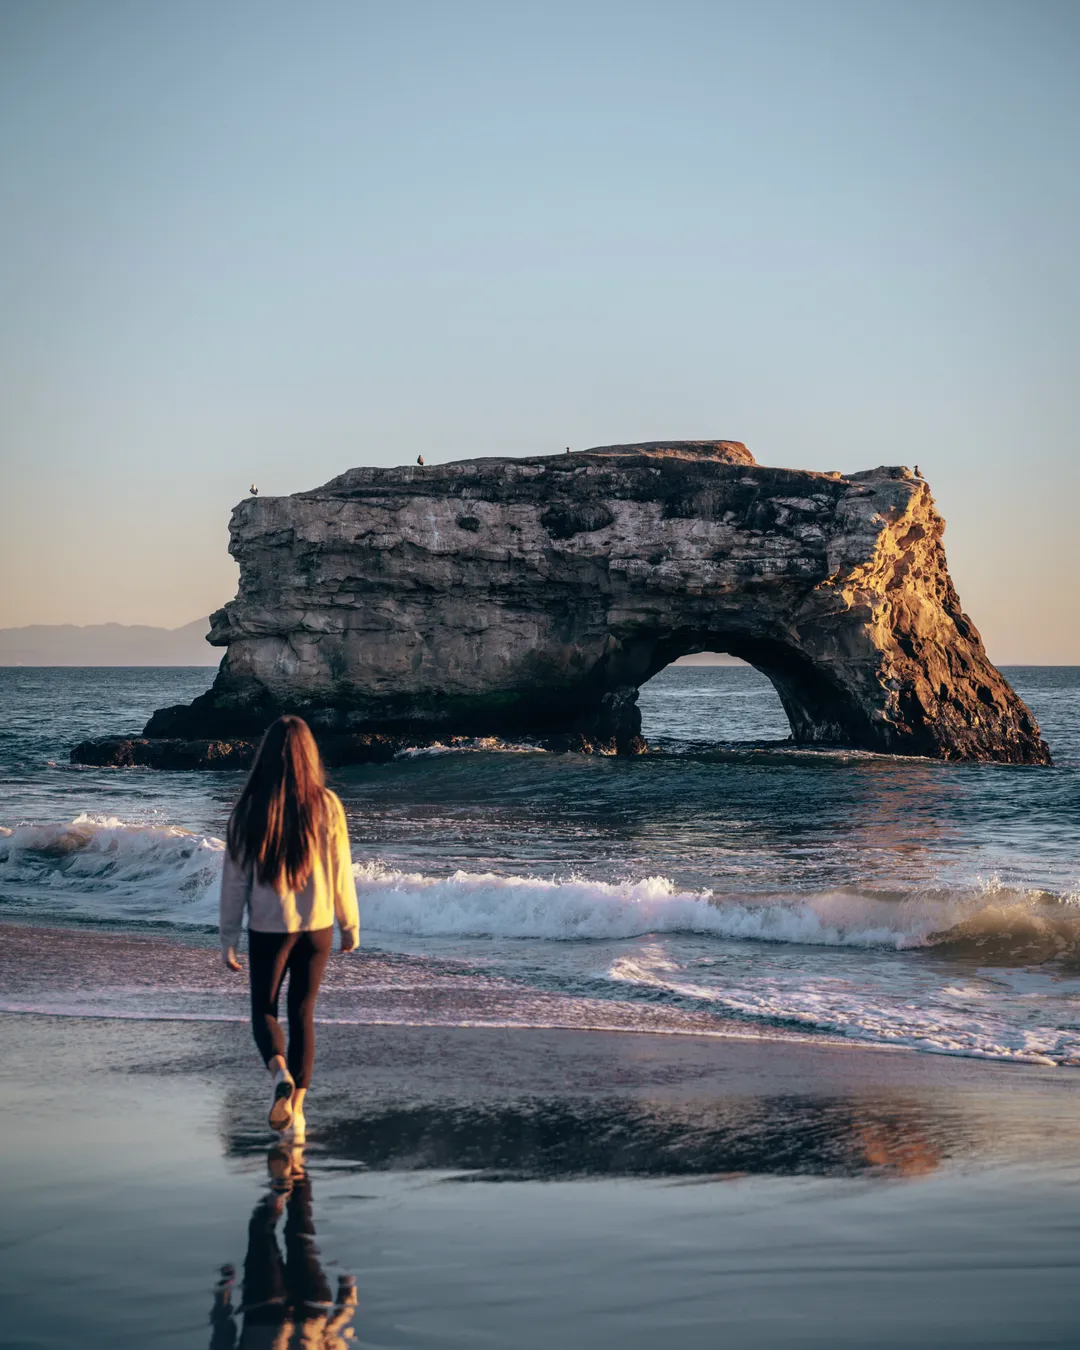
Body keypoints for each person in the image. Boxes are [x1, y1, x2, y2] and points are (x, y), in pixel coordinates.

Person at [220, 715, 359, 1140]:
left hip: (269, 926)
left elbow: (235, 880)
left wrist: (228, 938)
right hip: (317, 927)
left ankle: (279, 1072)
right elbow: (340, 871)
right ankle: (296, 1111)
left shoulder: (248, 808)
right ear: (309, 756)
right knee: (303, 1012)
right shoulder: (328, 804)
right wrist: (349, 923)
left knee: (264, 1009)